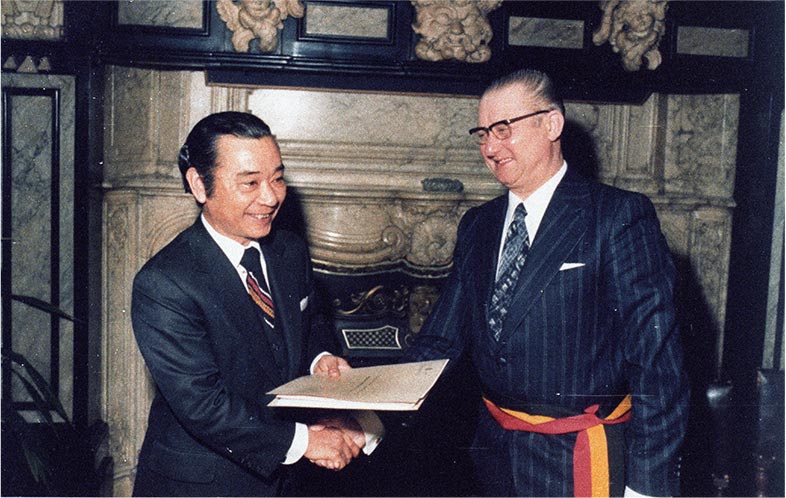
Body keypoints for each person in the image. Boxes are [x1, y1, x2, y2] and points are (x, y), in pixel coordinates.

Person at [394, 69, 689, 497]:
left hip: (581, 459)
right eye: (482, 134)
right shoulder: (478, 225)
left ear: (551, 124)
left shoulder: (617, 217)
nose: (490, 147)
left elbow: (658, 366)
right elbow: (440, 341)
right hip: (492, 458)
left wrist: (647, 486)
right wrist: (363, 403)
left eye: (503, 130)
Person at [131, 111, 379, 497]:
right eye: (250, 183)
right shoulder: (165, 283)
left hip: (284, 481)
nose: (271, 197)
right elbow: (203, 405)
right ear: (199, 184)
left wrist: (320, 358)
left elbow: (310, 322)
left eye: (277, 178)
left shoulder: (289, 250)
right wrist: (307, 443)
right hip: (206, 484)